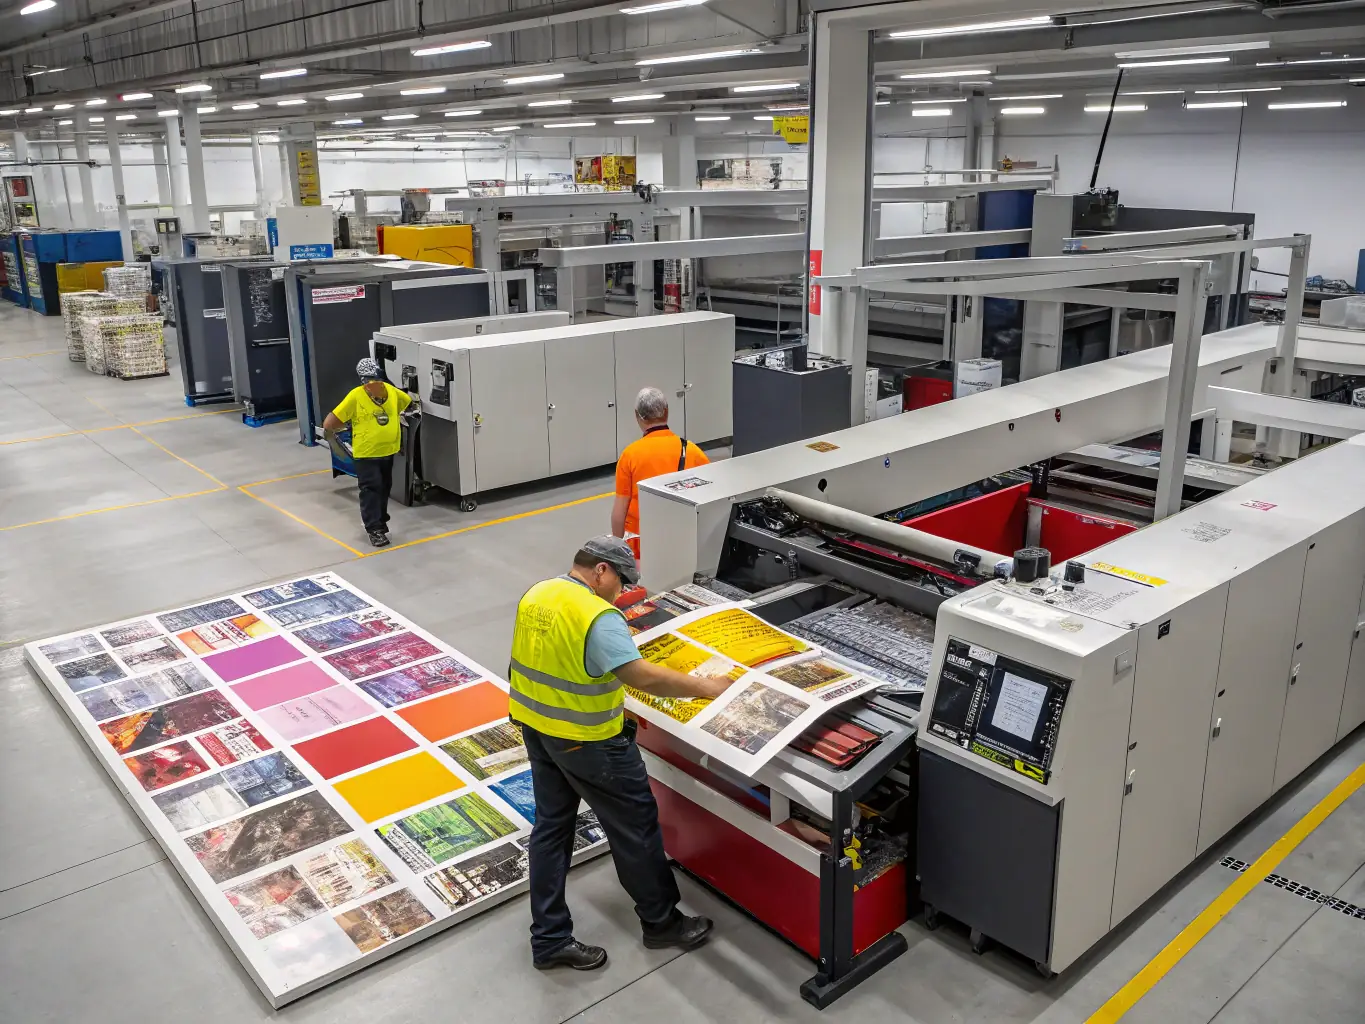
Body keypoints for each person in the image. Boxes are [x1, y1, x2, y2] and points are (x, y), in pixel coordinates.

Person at [509, 535, 732, 971]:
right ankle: (662, 923)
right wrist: (708, 688)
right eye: (621, 582)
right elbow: (640, 676)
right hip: (589, 742)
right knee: (635, 828)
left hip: (537, 728)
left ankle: (550, 939)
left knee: (552, 829)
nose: (622, 592)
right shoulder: (597, 614)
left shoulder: (537, 593)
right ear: (601, 571)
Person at [323, 357, 411, 548]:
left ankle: (380, 520)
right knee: (372, 489)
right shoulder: (356, 396)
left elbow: (406, 403)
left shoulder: (392, 392)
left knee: (384, 487)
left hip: (388, 450)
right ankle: (374, 529)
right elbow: (330, 423)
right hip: (367, 453)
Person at [611, 386, 709, 558]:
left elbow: (620, 511)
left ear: (637, 415)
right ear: (666, 411)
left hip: (641, 543)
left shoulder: (630, 455)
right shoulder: (693, 451)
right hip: (682, 538)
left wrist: (617, 551)